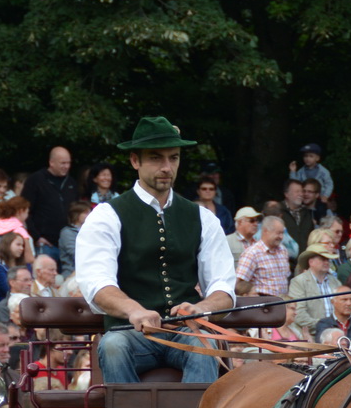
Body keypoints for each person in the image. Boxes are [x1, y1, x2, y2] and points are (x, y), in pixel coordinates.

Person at [73, 117, 236, 384]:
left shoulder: (202, 217)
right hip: (129, 333)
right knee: (113, 346)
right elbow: (97, 284)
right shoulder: (107, 215)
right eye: (156, 158)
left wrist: (202, 308)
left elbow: (223, 287)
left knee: (203, 344)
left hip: (186, 332)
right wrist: (133, 310)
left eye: (174, 158)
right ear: (134, 161)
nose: (166, 167)